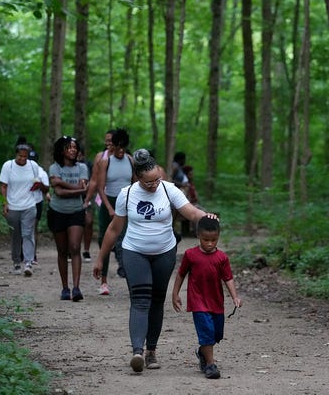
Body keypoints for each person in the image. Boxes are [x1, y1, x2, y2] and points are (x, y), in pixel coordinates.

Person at [92, 148, 217, 373]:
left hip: (164, 251)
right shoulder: (127, 194)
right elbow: (114, 229)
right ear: (137, 177)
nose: (154, 185)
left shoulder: (169, 190)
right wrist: (101, 259)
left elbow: (191, 212)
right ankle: (137, 352)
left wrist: (206, 216)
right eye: (148, 182)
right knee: (140, 300)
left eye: (157, 179)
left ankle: (151, 351)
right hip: (134, 251)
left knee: (157, 300)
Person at [171, 216, 242, 379]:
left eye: (213, 240)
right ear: (198, 236)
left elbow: (228, 278)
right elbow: (181, 275)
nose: (209, 243)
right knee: (206, 332)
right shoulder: (190, 255)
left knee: (216, 335)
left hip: (216, 301)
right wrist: (175, 294)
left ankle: (203, 352)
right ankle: (210, 365)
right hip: (198, 301)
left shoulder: (222, 258)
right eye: (205, 240)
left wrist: (235, 297)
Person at [47, 136, 89, 302]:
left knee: (75, 247)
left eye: (75, 147)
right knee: (62, 251)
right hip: (57, 211)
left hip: (76, 211)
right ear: (62, 150)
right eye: (69, 147)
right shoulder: (54, 167)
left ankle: (76, 288)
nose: (73, 150)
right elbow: (58, 193)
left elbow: (80, 187)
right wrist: (77, 189)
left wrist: (62, 184)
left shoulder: (82, 167)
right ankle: (65, 288)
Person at [94, 128, 134, 295]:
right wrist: (110, 208)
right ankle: (104, 281)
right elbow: (100, 187)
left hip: (125, 203)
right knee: (105, 239)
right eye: (118, 148)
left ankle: (130, 278)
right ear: (113, 146)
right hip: (108, 203)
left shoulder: (130, 160)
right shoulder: (106, 162)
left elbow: (135, 183)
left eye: (123, 148)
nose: (121, 151)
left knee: (125, 240)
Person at [0, 143, 43, 277]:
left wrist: (37, 185)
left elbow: (37, 182)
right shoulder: (8, 166)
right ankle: (16, 262)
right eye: (20, 156)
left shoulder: (33, 166)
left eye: (25, 156)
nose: (22, 159)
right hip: (13, 206)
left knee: (28, 233)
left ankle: (28, 263)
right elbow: (3, 186)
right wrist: (4, 203)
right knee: (16, 235)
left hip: (29, 205)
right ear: (15, 154)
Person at [82, 130, 113, 262]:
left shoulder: (126, 157)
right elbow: (94, 180)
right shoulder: (101, 156)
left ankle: (121, 259)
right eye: (106, 140)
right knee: (104, 228)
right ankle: (104, 257)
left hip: (121, 197)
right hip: (103, 197)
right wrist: (87, 200)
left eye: (110, 140)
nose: (108, 143)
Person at [28, 147, 50, 264]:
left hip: (37, 202)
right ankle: (24, 253)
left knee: (33, 228)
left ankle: (33, 254)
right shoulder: (23, 170)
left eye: (34, 160)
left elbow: (47, 188)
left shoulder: (41, 172)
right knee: (24, 228)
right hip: (23, 202)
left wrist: (39, 184)